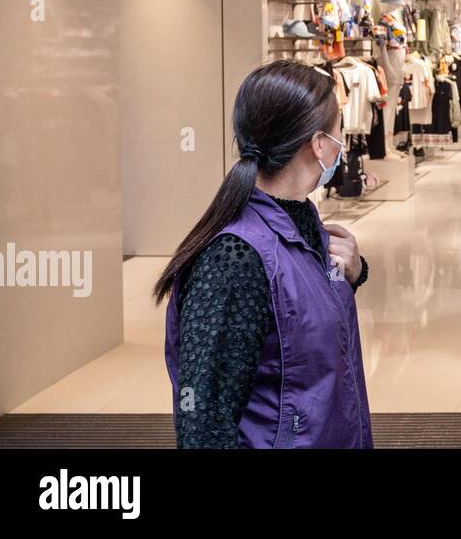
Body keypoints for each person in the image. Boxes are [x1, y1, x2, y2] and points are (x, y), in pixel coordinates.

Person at [154, 61, 373, 448]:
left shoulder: (304, 223)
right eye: (340, 130)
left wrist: (355, 272)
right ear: (319, 143)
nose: (345, 142)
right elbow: (203, 421)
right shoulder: (235, 258)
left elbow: (297, 322)